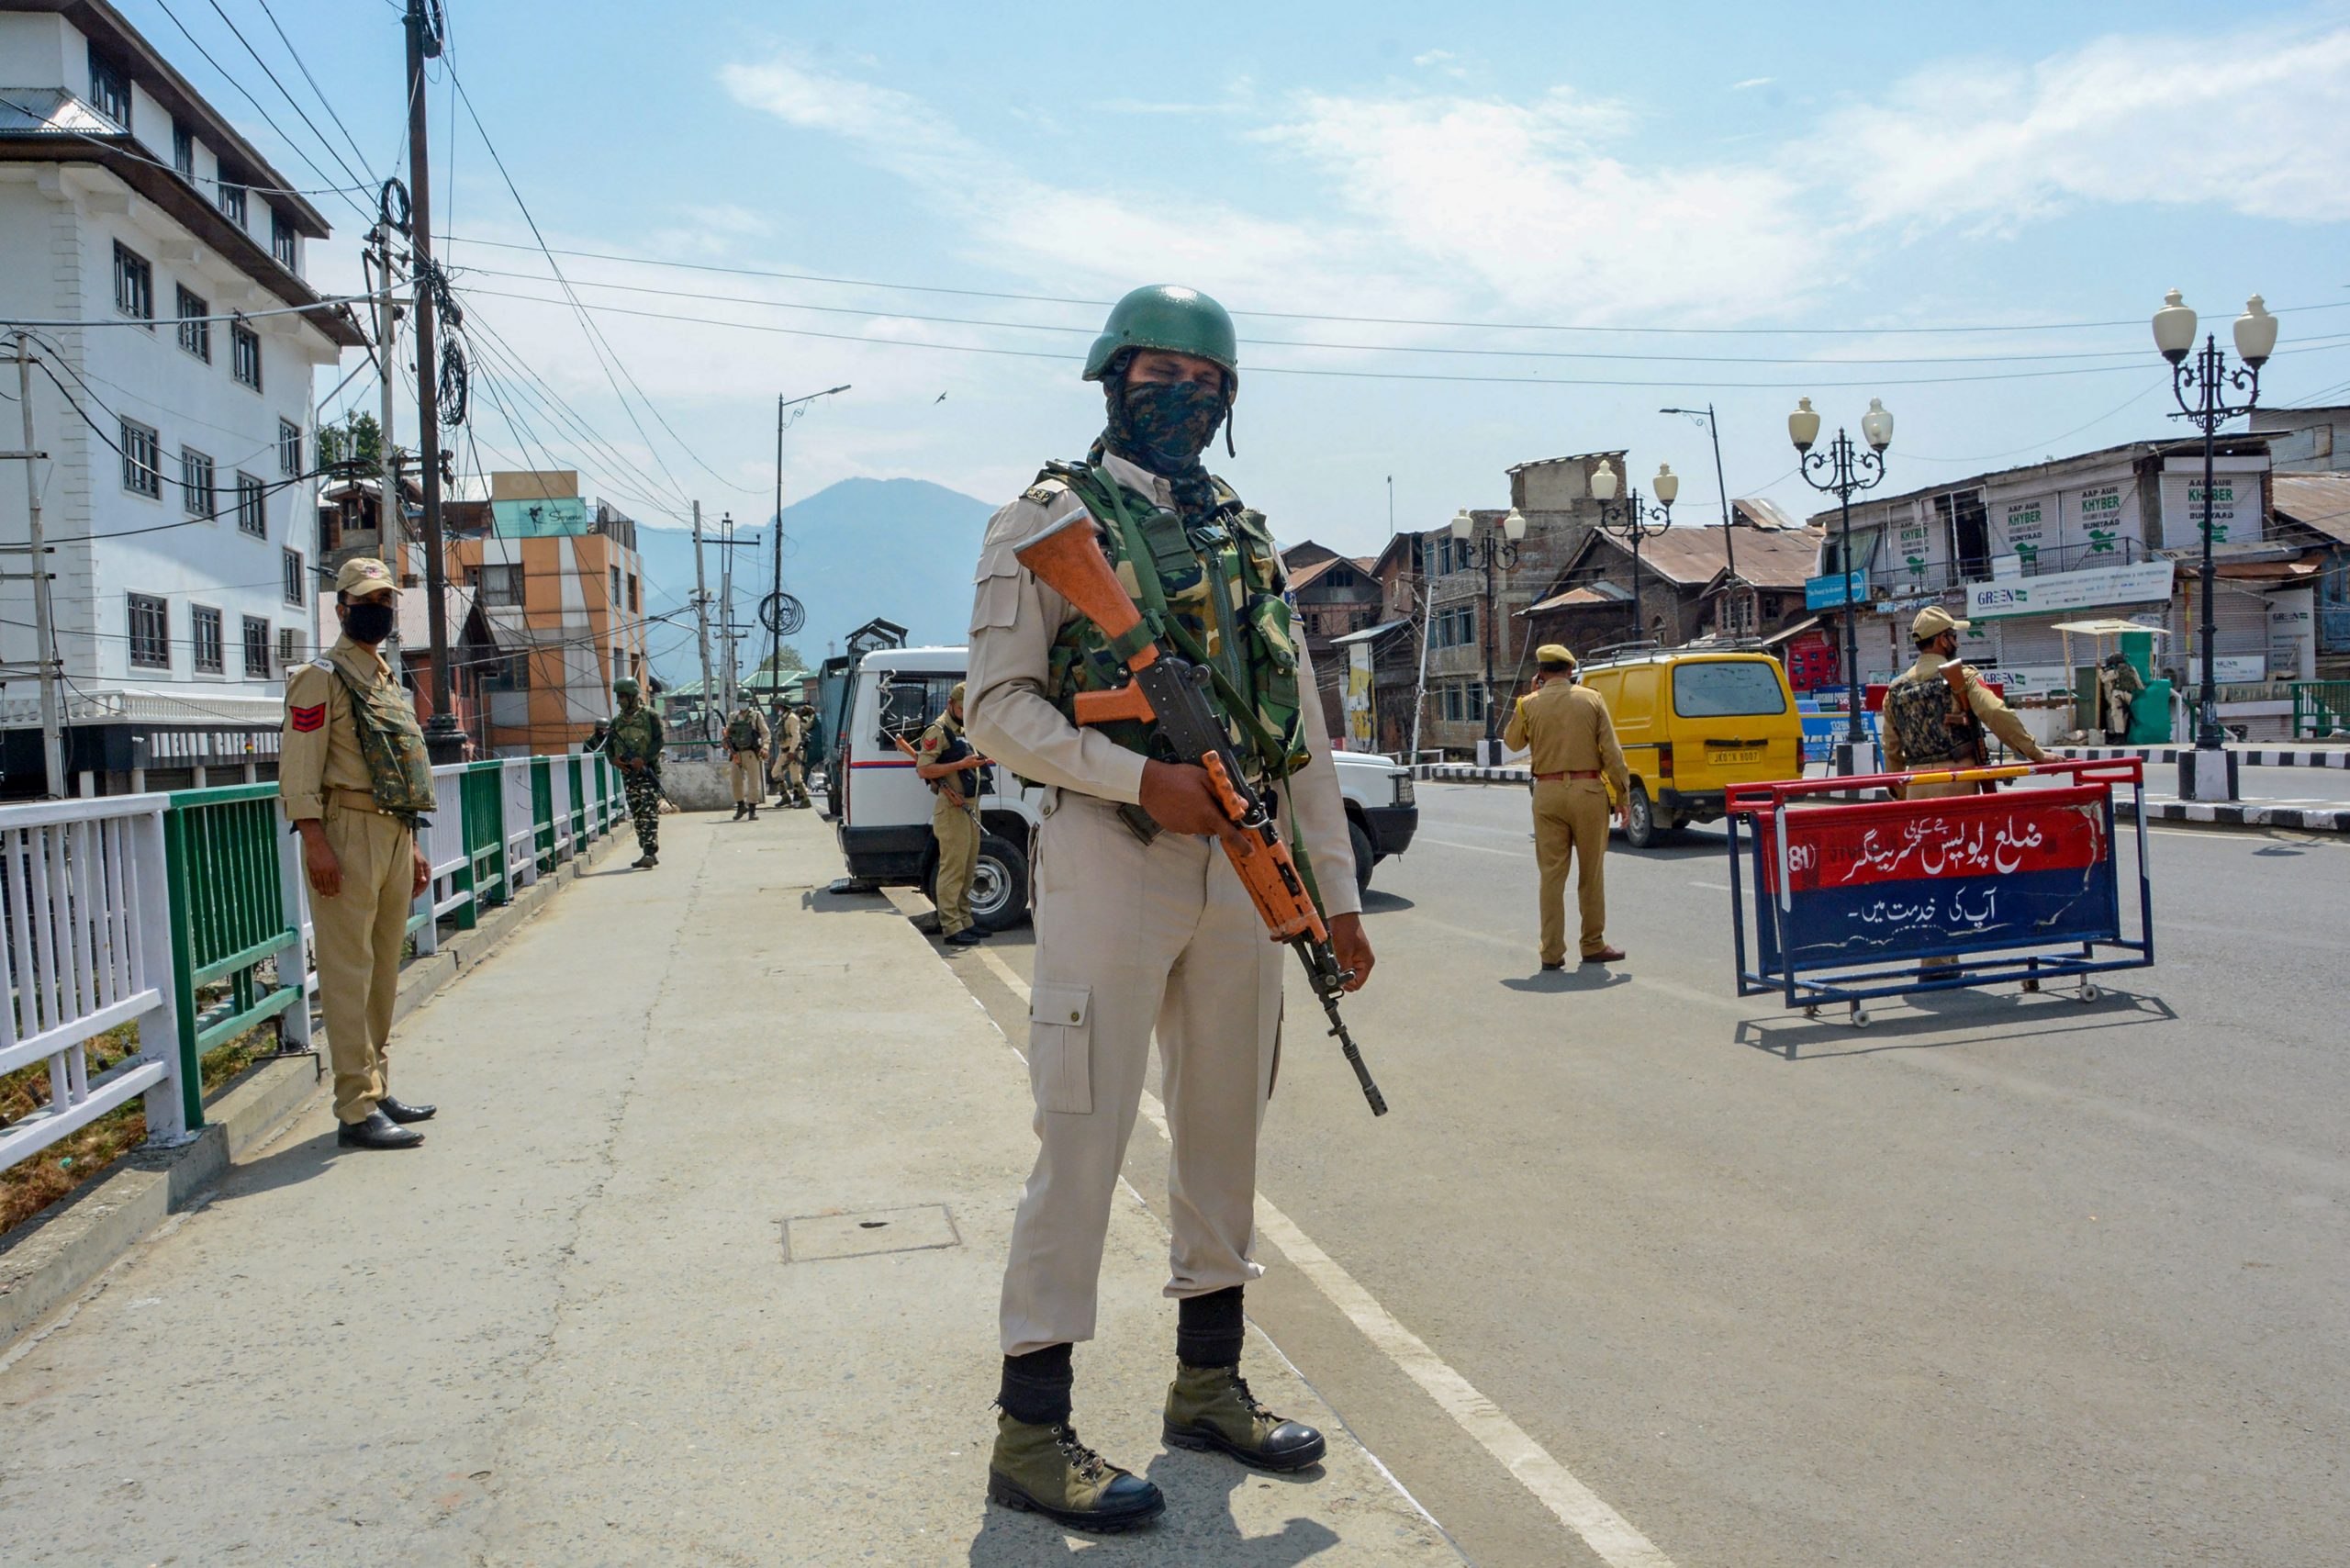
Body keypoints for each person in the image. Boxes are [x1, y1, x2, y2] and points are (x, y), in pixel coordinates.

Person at [965, 283, 1373, 1533]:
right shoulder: (1044, 523)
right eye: (1160, 379)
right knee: (1081, 1144)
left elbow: (1298, 735)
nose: (1183, 400)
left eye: (1208, 386)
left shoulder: (1250, 542)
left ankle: (1209, 1384)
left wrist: (1334, 904)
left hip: (1242, 881)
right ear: (1108, 380)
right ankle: (1032, 1435)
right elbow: (997, 708)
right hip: (1111, 862)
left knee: (1221, 1140)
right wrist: (1138, 775)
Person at [279, 556, 438, 1151]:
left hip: (392, 832)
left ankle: (376, 1087)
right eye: (367, 600)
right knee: (348, 974)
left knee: (382, 973)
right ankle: (354, 1108)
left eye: (386, 600)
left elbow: (394, 768)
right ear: (341, 607)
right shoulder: (320, 678)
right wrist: (315, 839)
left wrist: (413, 843)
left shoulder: (381, 674)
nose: (379, 609)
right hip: (345, 833)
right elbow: (298, 768)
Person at [1881, 605, 2053, 974]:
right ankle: (1942, 958)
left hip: (1916, 787)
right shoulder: (1960, 678)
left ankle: (1939, 956)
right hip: (1955, 782)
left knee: (1929, 870)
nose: (1957, 641)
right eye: (1954, 636)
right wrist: (2036, 753)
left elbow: (1891, 751)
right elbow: (1998, 715)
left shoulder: (1896, 689)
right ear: (1943, 640)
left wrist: (1899, 793)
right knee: (1956, 867)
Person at [1502, 645, 1631, 969]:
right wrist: (1623, 794)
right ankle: (1592, 943)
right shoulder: (1591, 699)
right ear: (1571, 670)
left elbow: (1512, 743)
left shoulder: (1529, 704)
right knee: (1591, 873)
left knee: (1551, 876)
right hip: (1588, 791)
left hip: (1546, 792)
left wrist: (1525, 701)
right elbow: (1612, 752)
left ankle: (1551, 953)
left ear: (1541, 673)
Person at [914, 682, 987, 947]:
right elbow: (924, 769)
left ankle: (965, 919)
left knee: (968, 867)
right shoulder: (938, 731)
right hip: (951, 808)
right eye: (960, 708)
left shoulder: (963, 729)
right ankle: (951, 926)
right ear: (950, 704)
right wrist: (961, 765)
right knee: (953, 868)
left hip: (969, 805)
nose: (964, 712)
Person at [594, 675, 665, 868]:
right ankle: (646, 849)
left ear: (633, 696)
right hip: (629, 775)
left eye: (623, 696)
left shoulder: (650, 716)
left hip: (647, 771)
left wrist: (644, 759)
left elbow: (659, 741)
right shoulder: (617, 722)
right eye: (619, 696)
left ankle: (650, 851)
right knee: (637, 812)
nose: (620, 700)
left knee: (649, 811)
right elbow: (608, 746)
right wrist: (614, 760)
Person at [722, 701, 769, 821]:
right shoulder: (733, 716)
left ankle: (752, 810)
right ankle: (741, 806)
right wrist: (725, 741)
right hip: (736, 753)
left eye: (745, 702)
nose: (743, 704)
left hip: (751, 753)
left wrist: (765, 747)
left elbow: (765, 733)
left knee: (753, 782)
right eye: (741, 702)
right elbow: (728, 733)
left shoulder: (756, 716)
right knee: (735, 781)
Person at [2098, 652, 2146, 744]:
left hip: (2117, 695)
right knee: (2125, 716)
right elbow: (2140, 685)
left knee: (2117, 716)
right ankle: (2123, 737)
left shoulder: (2116, 671)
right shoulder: (2132, 669)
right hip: (2129, 695)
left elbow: (2104, 679)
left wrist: (2099, 670)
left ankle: (2119, 738)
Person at [772, 701, 813, 809]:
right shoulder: (782, 718)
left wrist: (792, 751)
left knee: (795, 778)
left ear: (783, 706)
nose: (776, 708)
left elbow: (796, 736)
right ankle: (785, 797)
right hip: (783, 752)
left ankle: (805, 800)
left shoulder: (792, 718)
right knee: (775, 773)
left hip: (793, 752)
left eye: (778, 706)